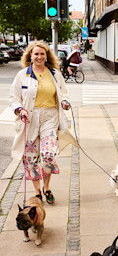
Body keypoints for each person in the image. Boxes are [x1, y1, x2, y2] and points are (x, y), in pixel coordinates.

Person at [9, 40, 78, 204]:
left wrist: (65, 102)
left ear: (46, 56)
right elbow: (13, 98)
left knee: (48, 155)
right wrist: (20, 109)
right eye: (36, 54)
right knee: (31, 158)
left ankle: (47, 188)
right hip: (30, 119)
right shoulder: (22, 75)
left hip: (50, 118)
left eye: (42, 54)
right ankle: (37, 191)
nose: (39, 57)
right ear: (30, 56)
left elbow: (64, 93)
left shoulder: (54, 73)